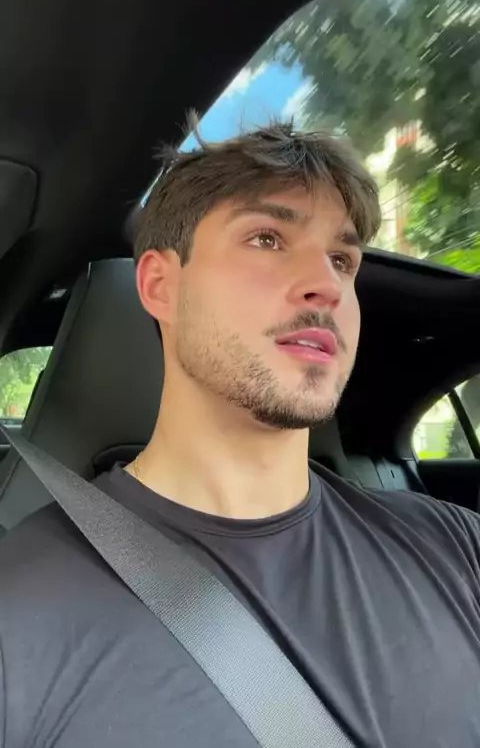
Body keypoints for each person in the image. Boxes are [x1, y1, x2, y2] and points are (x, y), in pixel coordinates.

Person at [1, 121, 480, 748]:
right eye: (267, 238)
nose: (327, 285)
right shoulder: (19, 606)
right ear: (160, 286)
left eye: (342, 259)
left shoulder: (457, 545)